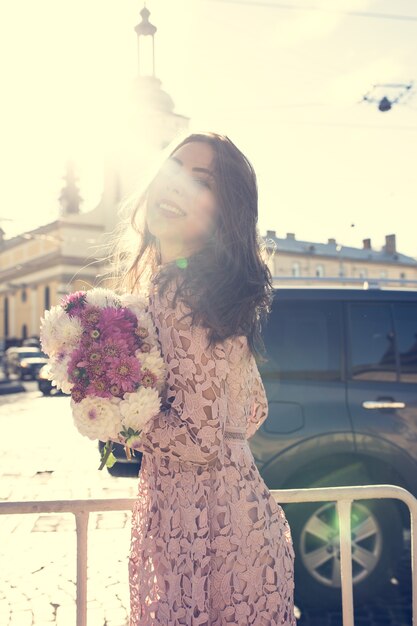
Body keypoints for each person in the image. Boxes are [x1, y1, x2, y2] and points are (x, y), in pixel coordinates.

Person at [111, 132, 296, 625]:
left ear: (224, 210)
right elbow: (253, 411)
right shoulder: (214, 293)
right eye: (172, 171)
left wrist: (114, 418)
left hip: (198, 542)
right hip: (244, 528)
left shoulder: (177, 288)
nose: (175, 188)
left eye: (201, 181)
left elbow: (199, 438)